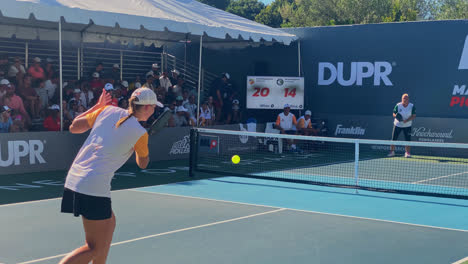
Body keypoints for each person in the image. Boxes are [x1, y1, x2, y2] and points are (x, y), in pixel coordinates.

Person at [59, 87, 163, 264]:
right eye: (154, 107)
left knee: (110, 223)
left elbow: (74, 127)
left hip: (75, 178)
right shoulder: (140, 134)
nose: (154, 110)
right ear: (146, 108)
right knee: (94, 247)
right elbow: (142, 164)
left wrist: (96, 106)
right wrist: (144, 144)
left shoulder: (107, 110)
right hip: (93, 187)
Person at [389, 93, 416, 158]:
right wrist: (397, 117)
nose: (405, 99)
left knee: (408, 140)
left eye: (406, 98)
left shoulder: (412, 106)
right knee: (393, 139)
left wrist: (407, 120)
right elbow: (394, 114)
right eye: (404, 98)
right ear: (402, 99)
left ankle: (407, 153)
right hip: (397, 125)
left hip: (407, 125)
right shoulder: (398, 105)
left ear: (408, 99)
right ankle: (392, 152)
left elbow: (413, 116)